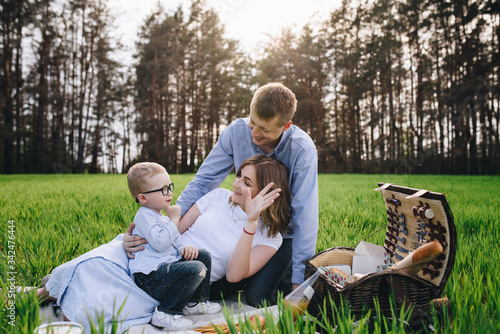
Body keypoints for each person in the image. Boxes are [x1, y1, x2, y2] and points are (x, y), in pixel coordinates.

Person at [36, 156, 290, 334]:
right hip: (158, 248)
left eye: (246, 182)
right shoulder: (218, 197)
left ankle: (65, 316)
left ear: (267, 193)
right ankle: (38, 295)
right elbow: (175, 229)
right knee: (98, 261)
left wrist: (251, 221)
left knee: (103, 299)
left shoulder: (270, 237)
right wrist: (134, 238)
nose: (235, 184)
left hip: (178, 276)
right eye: (238, 176)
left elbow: (235, 275)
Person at [124, 82, 319, 306]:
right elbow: (204, 181)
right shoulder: (237, 131)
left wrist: (300, 283)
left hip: (280, 231)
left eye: (264, 129)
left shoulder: (302, 150)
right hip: (242, 223)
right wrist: (155, 229)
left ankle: (284, 273)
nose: (254, 133)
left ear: (286, 126)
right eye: (252, 122)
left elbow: (305, 216)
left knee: (258, 297)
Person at [126, 162, 220, 330]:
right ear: (143, 198)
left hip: (164, 270)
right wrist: (174, 219)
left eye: (169, 187)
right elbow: (161, 243)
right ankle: (166, 313)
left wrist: (185, 247)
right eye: (163, 190)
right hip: (150, 277)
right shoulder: (144, 217)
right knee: (195, 268)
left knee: (202, 256)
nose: (169, 193)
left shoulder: (160, 216)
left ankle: (194, 303)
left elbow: (175, 240)